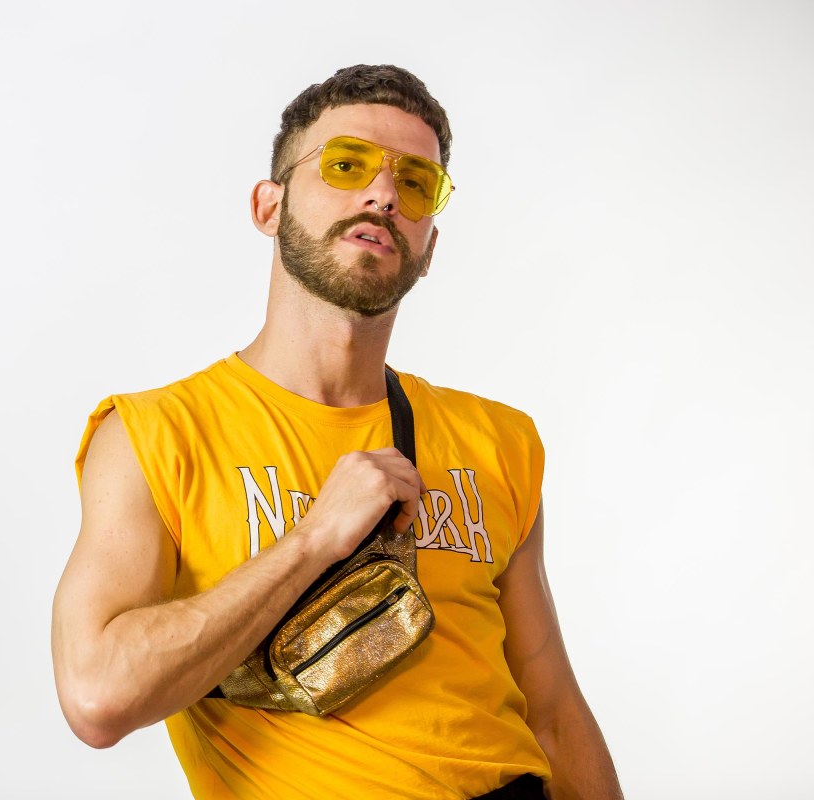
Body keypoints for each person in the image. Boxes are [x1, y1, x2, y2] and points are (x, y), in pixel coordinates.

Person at [51, 64, 622, 800]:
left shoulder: (498, 442)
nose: (383, 194)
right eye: (347, 165)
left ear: (429, 245)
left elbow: (555, 714)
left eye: (415, 183)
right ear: (269, 205)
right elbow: (97, 695)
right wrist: (315, 539)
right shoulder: (155, 436)